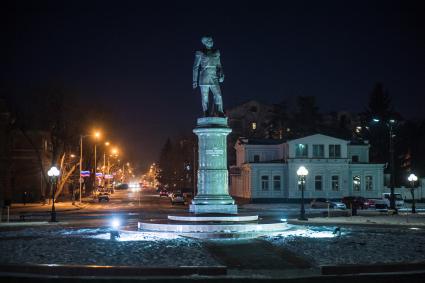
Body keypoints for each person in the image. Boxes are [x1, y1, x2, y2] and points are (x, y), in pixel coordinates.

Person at [193, 36, 225, 117]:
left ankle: (220, 111)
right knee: (205, 96)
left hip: (214, 76)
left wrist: (221, 75)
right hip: (204, 76)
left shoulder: (216, 52)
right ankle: (205, 112)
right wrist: (194, 80)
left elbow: (219, 65)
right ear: (205, 42)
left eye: (212, 40)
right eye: (209, 40)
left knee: (218, 95)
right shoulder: (200, 52)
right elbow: (195, 67)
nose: (212, 42)